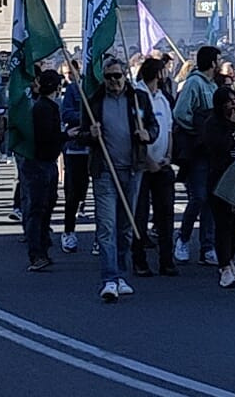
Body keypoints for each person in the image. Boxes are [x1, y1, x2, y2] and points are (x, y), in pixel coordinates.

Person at [89, 57, 157, 303]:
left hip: (133, 169)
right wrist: (90, 134)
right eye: (109, 77)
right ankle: (108, 278)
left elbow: (153, 125)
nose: (114, 81)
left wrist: (147, 134)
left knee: (126, 226)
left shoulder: (138, 98)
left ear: (125, 75)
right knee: (107, 226)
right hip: (106, 171)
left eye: (117, 76)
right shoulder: (95, 101)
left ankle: (120, 274)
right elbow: (83, 132)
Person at [172, 44, 220, 267]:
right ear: (212, 63)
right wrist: (198, 131)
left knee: (211, 198)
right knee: (199, 197)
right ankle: (183, 238)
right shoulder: (194, 83)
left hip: (212, 151)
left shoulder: (213, 85)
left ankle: (207, 247)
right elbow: (181, 112)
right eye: (217, 60)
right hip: (197, 151)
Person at [131, 57, 178, 277]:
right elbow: (136, 132)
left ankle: (166, 260)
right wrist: (148, 161)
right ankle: (139, 260)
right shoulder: (137, 97)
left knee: (165, 215)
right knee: (139, 215)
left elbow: (168, 129)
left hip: (162, 165)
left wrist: (168, 156)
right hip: (142, 166)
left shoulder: (163, 98)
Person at [17, 69, 65, 274]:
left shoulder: (46, 106)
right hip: (38, 164)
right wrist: (67, 136)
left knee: (47, 205)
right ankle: (36, 252)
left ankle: (42, 247)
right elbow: (46, 137)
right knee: (37, 209)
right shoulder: (44, 108)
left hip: (46, 162)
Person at [206, 84, 235, 288]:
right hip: (221, 179)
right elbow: (217, 147)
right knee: (223, 223)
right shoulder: (213, 123)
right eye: (229, 102)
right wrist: (231, 126)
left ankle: (230, 260)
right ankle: (223, 266)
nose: (234, 105)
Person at [58, 61, 92, 253]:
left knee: (101, 193)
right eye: (66, 73)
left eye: (72, 72)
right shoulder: (72, 90)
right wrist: (87, 118)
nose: (69, 75)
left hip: (98, 149)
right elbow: (67, 113)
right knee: (72, 194)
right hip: (76, 148)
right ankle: (69, 231)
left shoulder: (96, 88)